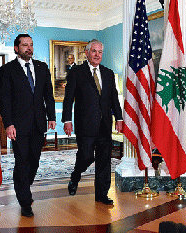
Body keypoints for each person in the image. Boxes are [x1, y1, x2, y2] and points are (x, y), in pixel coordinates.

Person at [0, 34, 56, 217]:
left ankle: (23, 186)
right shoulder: (8, 70)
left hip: (39, 123)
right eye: (24, 45)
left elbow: (48, 95)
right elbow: (5, 101)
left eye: (30, 45)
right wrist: (8, 124)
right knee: (22, 162)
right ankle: (25, 201)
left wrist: (51, 117)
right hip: (18, 126)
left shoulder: (42, 67)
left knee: (35, 161)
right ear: (16, 48)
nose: (28, 48)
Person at [61, 39, 123, 205]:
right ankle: (75, 176)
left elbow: (114, 99)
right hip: (85, 125)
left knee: (104, 160)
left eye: (100, 52)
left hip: (104, 125)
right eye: (94, 51)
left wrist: (119, 118)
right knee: (86, 156)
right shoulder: (76, 72)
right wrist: (67, 120)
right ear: (87, 53)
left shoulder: (108, 73)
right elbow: (68, 99)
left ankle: (102, 194)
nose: (97, 55)